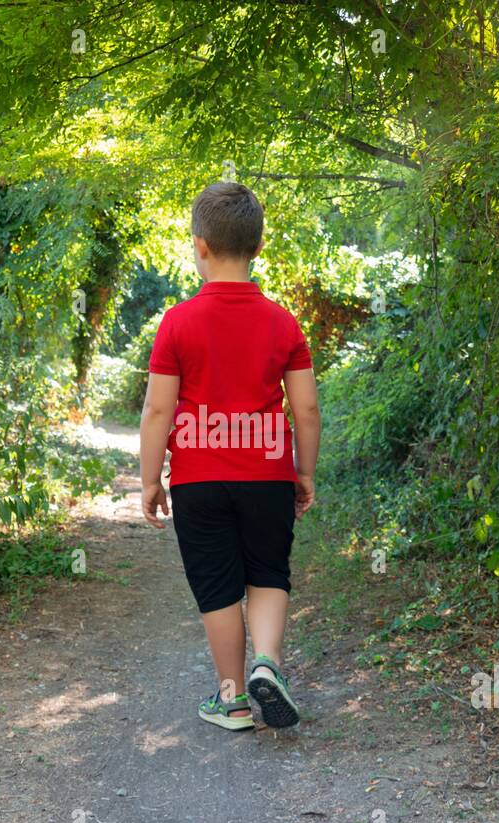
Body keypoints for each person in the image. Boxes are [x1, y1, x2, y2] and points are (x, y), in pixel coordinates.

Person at [139, 181, 321, 731]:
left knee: (217, 582)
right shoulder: (282, 322)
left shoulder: (177, 322)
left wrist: (150, 480)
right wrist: (303, 471)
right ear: (258, 246)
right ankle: (268, 663)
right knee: (268, 571)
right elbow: (306, 408)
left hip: (198, 480)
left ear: (200, 247)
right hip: (267, 475)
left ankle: (234, 699)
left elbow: (156, 412)